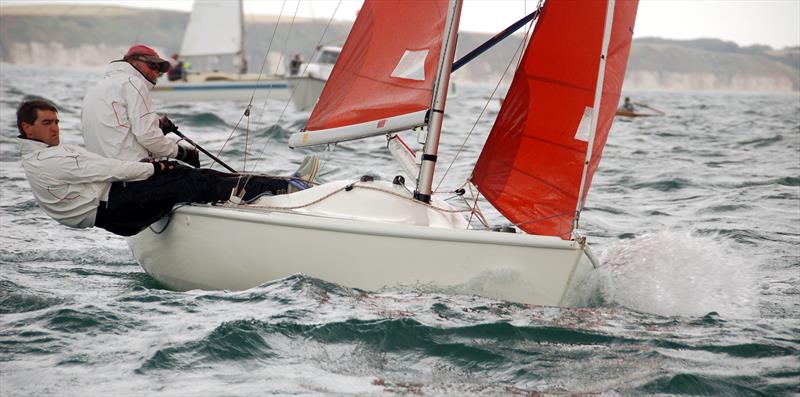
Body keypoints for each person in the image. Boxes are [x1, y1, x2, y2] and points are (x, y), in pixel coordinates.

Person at [17, 99, 318, 237]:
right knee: (188, 180)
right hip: (114, 211)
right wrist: (155, 170)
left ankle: (265, 186)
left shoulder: (52, 153)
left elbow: (105, 167)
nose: (55, 128)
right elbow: (109, 170)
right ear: (27, 127)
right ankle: (285, 186)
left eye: (56, 122)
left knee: (189, 176)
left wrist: (154, 164)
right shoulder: (50, 160)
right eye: (47, 123)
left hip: (113, 206)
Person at [81, 44, 199, 167]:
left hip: (106, 175)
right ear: (133, 61)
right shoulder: (133, 83)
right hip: (132, 174)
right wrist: (182, 153)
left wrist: (159, 129)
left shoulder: (96, 89)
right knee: (210, 179)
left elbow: (118, 132)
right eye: (152, 65)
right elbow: (148, 137)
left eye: (159, 71)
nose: (155, 73)